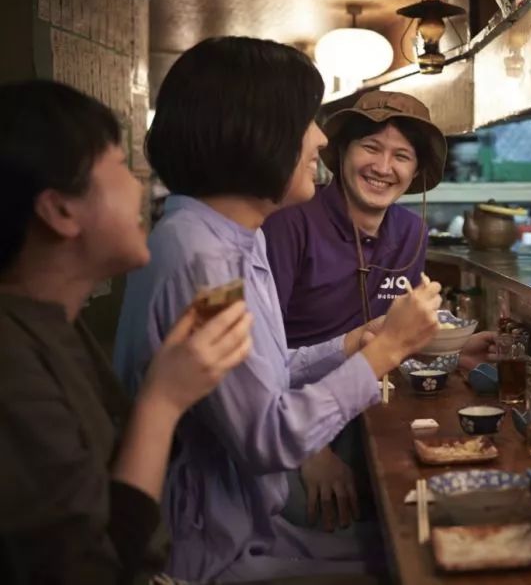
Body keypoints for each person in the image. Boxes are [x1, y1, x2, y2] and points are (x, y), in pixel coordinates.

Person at [113, 38, 442, 583]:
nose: (319, 138)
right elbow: (267, 435)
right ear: (255, 134)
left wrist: (352, 342)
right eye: (306, 119)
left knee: (411, 547)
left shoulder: (233, 238)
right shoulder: (200, 260)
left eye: (401, 155)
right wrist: (387, 351)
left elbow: (258, 373)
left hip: (247, 528)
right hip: (203, 555)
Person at [0, 80, 252, 584]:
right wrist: (163, 401)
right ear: (61, 210)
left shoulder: (52, 324)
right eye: (118, 165)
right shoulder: (10, 362)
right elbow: (89, 569)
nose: (140, 184)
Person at [262, 90, 493, 355]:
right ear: (341, 151)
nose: (383, 168)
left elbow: (398, 334)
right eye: (371, 147)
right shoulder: (289, 221)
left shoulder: (411, 232)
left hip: (377, 386)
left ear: (416, 170)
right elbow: (261, 347)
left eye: (402, 156)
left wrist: (458, 347)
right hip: (300, 391)